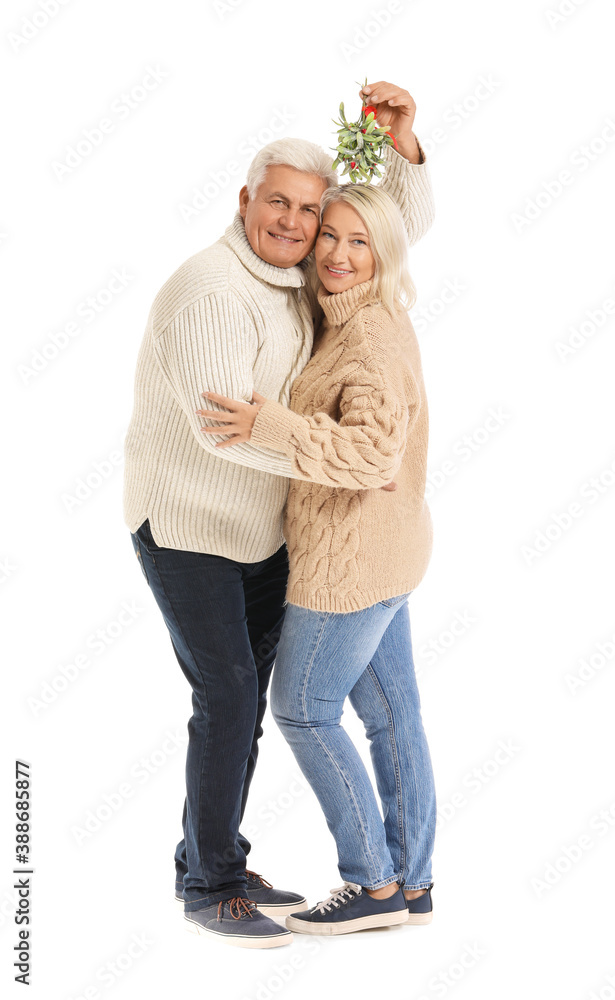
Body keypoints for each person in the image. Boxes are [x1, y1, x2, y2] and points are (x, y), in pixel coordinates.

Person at [123, 81, 434, 948]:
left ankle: (229, 853)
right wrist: (343, 455)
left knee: (264, 705)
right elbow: (227, 432)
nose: (304, 228)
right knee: (229, 700)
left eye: (311, 210)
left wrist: (400, 152)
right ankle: (210, 881)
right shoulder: (213, 292)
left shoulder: (303, 274)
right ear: (244, 202)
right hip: (191, 529)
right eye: (284, 206)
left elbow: (377, 233)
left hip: (268, 534)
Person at [198, 180, 436, 937]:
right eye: (326, 234)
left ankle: (372, 885)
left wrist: (269, 426)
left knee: (303, 709)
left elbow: (370, 455)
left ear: (383, 252)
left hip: (349, 564)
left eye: (357, 242)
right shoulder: (360, 314)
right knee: (392, 717)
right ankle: (413, 882)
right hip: (392, 550)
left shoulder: (365, 336)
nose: (334, 253)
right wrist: (395, 149)